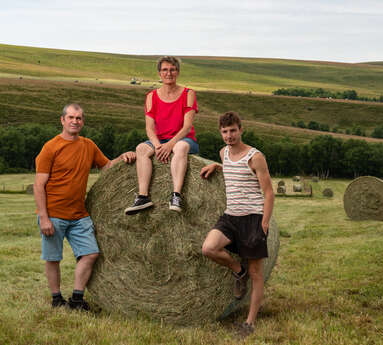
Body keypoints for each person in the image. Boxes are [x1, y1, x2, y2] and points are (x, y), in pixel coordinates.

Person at [34, 103, 136, 310]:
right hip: (54, 213)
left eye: (79, 118)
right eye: (71, 117)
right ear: (62, 120)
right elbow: (38, 185)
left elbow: (106, 166)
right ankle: (56, 299)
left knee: (91, 254)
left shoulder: (88, 145)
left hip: (80, 214)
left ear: (83, 122)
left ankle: (77, 299)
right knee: (53, 258)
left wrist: (125, 157)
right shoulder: (50, 147)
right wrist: (44, 217)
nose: (75, 121)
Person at [200, 111, 274, 337]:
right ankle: (237, 270)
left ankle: (249, 322)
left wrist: (264, 223)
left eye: (233, 130)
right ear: (220, 133)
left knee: (257, 273)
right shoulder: (223, 153)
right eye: (225, 131)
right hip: (230, 217)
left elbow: (269, 192)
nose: (229, 135)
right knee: (208, 248)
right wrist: (216, 166)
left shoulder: (255, 156)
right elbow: (232, 167)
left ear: (241, 130)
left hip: (252, 218)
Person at [124, 56, 199, 215]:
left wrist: (170, 145)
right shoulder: (151, 96)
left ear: (178, 72)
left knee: (180, 147)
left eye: (172, 69)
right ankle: (143, 196)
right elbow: (150, 128)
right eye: (165, 70)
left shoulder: (188, 94)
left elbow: (187, 127)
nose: (169, 73)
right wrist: (158, 146)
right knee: (141, 149)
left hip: (183, 139)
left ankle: (176, 195)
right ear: (159, 73)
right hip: (159, 140)